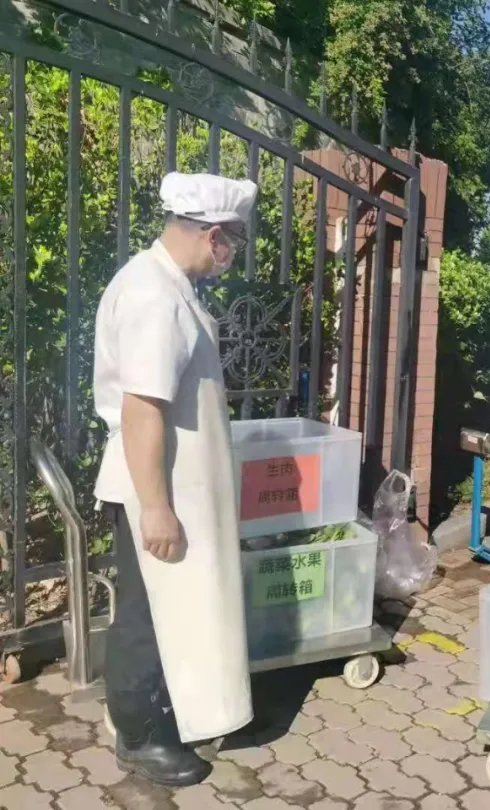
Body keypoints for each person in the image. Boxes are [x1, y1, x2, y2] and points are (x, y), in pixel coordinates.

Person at [93, 172, 257, 786]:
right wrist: (155, 507)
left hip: (173, 485)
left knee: (171, 610)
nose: (232, 256)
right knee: (145, 614)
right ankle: (137, 734)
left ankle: (160, 713)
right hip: (155, 490)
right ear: (214, 235)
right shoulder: (154, 296)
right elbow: (142, 409)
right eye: (233, 243)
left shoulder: (168, 285)